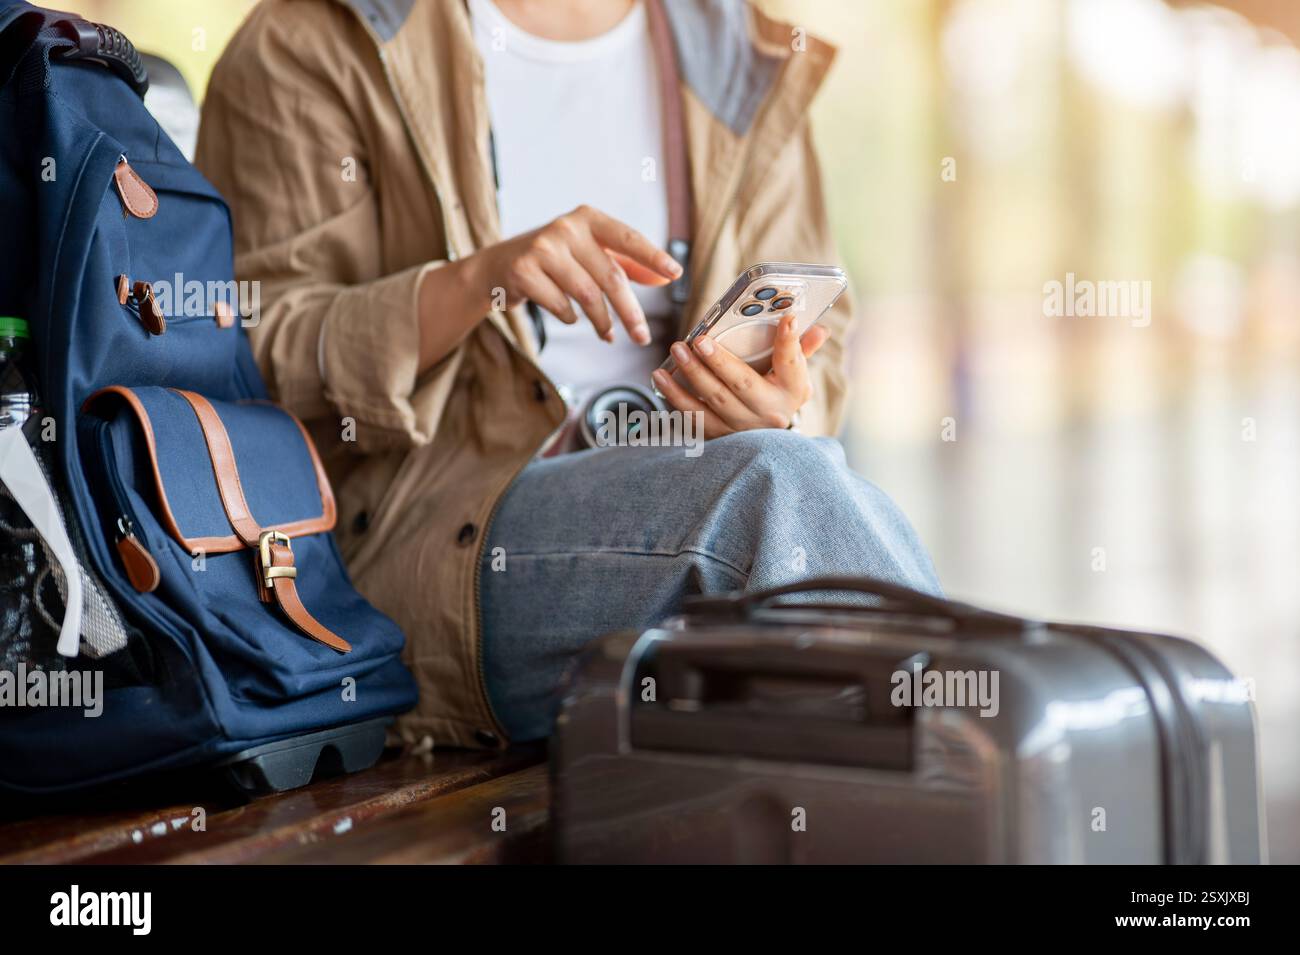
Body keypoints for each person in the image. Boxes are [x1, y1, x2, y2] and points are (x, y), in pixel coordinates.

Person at [196, 0, 939, 748]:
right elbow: (256, 350)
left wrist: (769, 406)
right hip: (423, 546)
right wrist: (474, 282)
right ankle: (990, 765)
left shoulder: (737, 55)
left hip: (694, 501)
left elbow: (820, 348)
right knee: (779, 489)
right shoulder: (322, 38)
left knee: (792, 480)